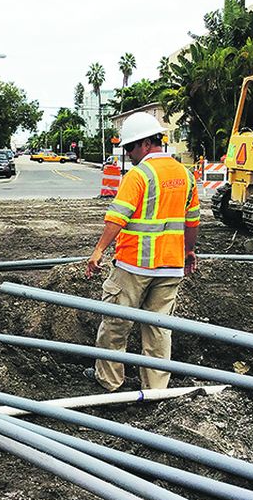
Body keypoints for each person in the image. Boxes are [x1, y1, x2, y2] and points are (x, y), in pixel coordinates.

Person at [84, 112, 200, 391]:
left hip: (134, 265)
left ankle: (109, 381)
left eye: (130, 148)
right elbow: (192, 220)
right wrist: (189, 252)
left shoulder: (139, 175)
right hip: (171, 266)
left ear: (146, 144)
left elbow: (117, 218)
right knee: (159, 329)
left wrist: (98, 250)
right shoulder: (185, 175)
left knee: (115, 324)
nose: (129, 154)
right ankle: (156, 389)